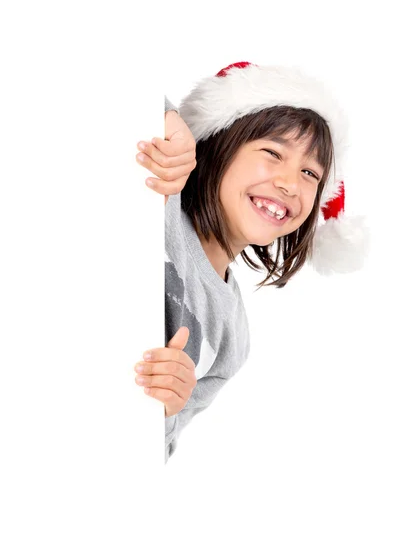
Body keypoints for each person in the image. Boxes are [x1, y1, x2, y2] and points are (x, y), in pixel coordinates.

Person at [134, 61, 368, 462]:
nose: (290, 183)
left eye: (311, 173)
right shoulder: (157, 194)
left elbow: (156, 452)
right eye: (272, 152)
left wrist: (165, 412)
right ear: (217, 144)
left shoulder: (232, 338)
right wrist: (169, 121)